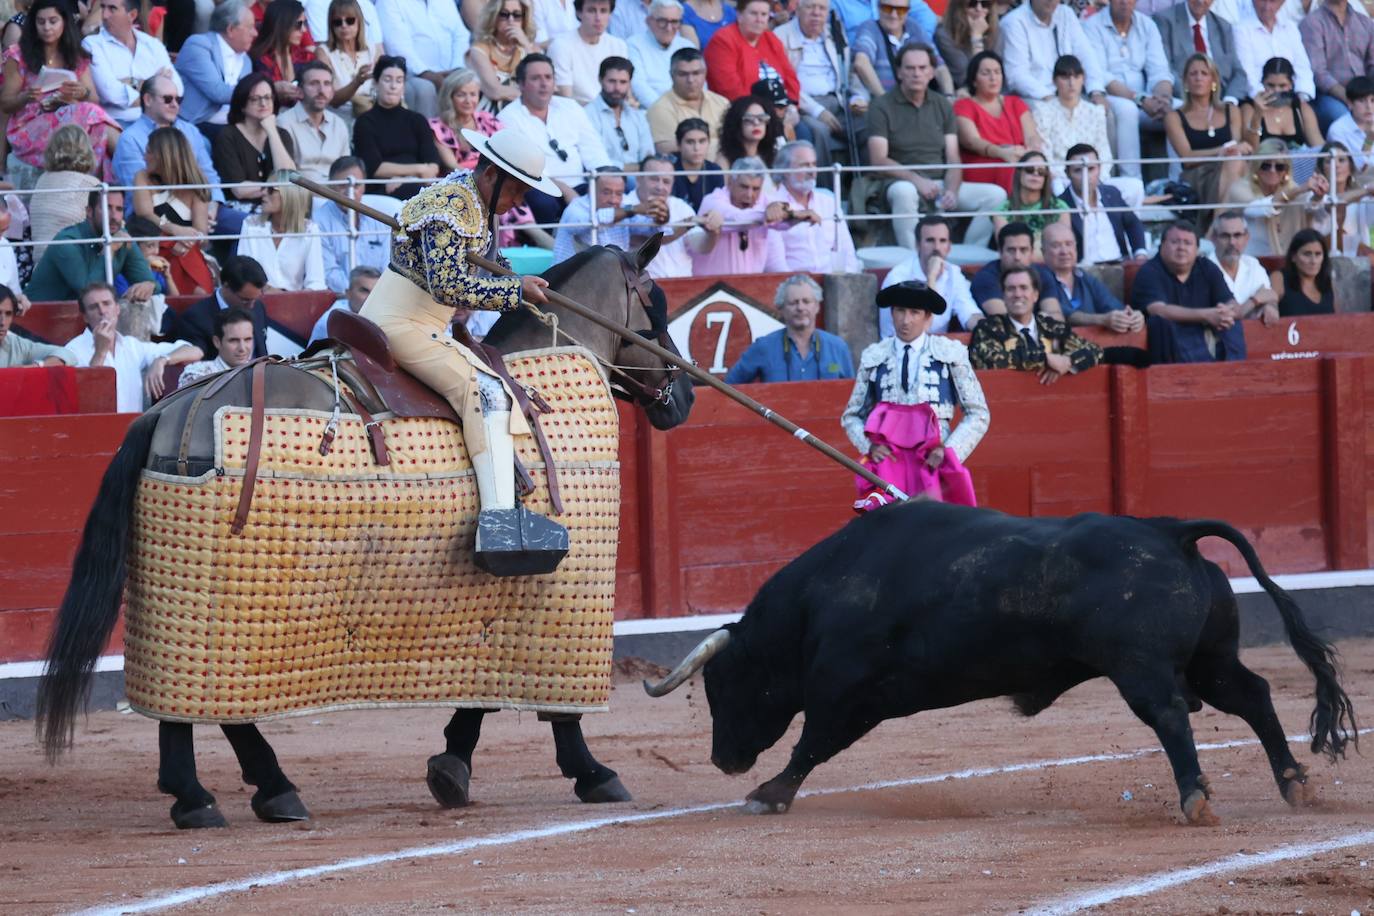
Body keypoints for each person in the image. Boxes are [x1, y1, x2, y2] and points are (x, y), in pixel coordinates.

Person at [357, 128, 569, 572]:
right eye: (516, 189)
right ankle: (497, 524)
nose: (520, 201)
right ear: (491, 174)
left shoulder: (475, 203)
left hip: (427, 323)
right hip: (401, 322)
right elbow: (447, 283)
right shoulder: (450, 206)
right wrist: (516, 292)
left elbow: (489, 263)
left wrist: (516, 280)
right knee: (487, 391)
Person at [843, 280, 988, 511]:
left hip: (933, 459)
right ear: (891, 313)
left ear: (928, 317)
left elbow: (978, 413)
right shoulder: (874, 356)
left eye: (914, 312)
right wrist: (869, 446)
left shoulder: (950, 353)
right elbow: (851, 416)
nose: (906, 320)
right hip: (888, 464)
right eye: (900, 311)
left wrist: (950, 451)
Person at [867, 42, 1005, 251]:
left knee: (996, 195)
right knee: (904, 191)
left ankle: (969, 253)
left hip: (939, 182)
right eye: (910, 68)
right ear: (899, 72)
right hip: (900, 181)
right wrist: (916, 179)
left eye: (922, 68)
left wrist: (951, 189)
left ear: (931, 73)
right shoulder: (881, 106)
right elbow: (878, 160)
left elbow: (953, 158)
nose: (916, 74)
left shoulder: (942, 105)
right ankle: (914, 256)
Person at [113, 74, 241, 242]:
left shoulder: (190, 131)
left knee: (249, 228)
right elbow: (142, 200)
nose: (175, 105)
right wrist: (181, 225)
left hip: (200, 208)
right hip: (154, 217)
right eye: (167, 99)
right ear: (148, 99)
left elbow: (208, 174)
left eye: (178, 100)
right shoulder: (131, 138)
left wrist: (212, 206)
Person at [0, 0, 120, 175]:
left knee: (100, 127)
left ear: (64, 22)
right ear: (33, 25)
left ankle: (102, 190)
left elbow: (93, 98)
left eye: (53, 21)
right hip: (27, 128)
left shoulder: (75, 55)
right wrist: (26, 96)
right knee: (91, 113)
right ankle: (133, 170)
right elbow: (5, 103)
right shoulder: (18, 54)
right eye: (41, 22)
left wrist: (81, 92)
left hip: (66, 119)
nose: (47, 27)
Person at [498, 52, 611, 224]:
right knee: (542, 201)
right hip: (540, 186)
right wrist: (564, 189)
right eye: (536, 78)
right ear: (521, 84)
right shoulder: (508, 117)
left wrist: (603, 179)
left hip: (582, 183)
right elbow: (524, 168)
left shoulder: (570, 107)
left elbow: (593, 150)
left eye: (548, 77)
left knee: (616, 187)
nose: (544, 84)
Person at [65, 281, 201, 411]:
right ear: (85, 317)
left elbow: (195, 351)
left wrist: (163, 359)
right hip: (94, 428)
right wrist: (100, 352)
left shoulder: (132, 345)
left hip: (131, 429)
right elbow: (87, 397)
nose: (102, 311)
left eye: (107, 304)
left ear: (117, 309)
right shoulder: (73, 350)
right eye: (93, 307)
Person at [1130, 219, 1245, 363]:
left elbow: (1231, 302)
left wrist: (1227, 312)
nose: (1181, 248)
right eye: (1175, 242)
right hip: (1166, 349)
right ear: (1161, 246)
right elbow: (1158, 310)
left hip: (1203, 339)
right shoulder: (1149, 271)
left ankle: (1235, 373)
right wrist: (1206, 315)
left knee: (1231, 322)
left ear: (1197, 250)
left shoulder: (1207, 267)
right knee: (1161, 323)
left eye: (1188, 243)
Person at [969, 264, 1103, 382]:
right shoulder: (989, 329)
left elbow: (1095, 351)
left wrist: (1068, 362)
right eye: (1011, 289)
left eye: (1023, 288)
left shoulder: (1051, 327)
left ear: (1035, 295)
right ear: (1003, 296)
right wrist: (1045, 360)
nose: (1017, 294)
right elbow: (992, 360)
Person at [1085, 0, 1172, 180]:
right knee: (1128, 110)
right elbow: (1101, 75)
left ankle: (1178, 184)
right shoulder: (1093, 25)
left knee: (1177, 111)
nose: (1125, 2)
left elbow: (1159, 69)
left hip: (1146, 96)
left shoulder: (1147, 25)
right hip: (1111, 96)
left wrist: (1163, 98)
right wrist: (1139, 99)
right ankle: (1132, 181)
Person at [26, 190, 157, 301]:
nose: (114, 216)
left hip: (85, 321)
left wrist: (148, 286)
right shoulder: (67, 242)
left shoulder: (121, 237)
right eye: (107, 208)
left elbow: (152, 284)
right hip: (38, 321)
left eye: (119, 209)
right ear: (89, 211)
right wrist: (109, 251)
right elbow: (88, 293)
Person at [724, 273, 853, 383]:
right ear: (781, 309)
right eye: (793, 302)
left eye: (806, 301)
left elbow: (854, 396)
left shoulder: (837, 347)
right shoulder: (764, 347)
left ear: (817, 306)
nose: (800, 308)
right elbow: (729, 387)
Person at [133, 126, 215, 295]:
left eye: (148, 152)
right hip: (153, 246)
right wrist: (174, 229)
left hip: (185, 250)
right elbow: (144, 213)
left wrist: (186, 242)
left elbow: (202, 234)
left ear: (164, 155)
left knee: (198, 287)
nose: (144, 157)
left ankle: (197, 296)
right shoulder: (142, 177)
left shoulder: (198, 184)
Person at [1163, 54, 1248, 214]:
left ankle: (1218, 223)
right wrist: (1221, 151)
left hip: (1229, 169)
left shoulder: (1231, 111)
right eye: (1193, 74)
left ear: (1214, 81)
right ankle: (1222, 222)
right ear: (1186, 82)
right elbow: (1187, 158)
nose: (1198, 78)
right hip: (1197, 175)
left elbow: (1236, 149)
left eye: (1204, 73)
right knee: (1234, 162)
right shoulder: (1174, 117)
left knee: (1235, 162)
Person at [775, 0, 855, 168]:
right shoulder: (781, 36)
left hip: (839, 100)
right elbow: (783, 82)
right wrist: (818, 111)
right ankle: (823, 189)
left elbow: (849, 72)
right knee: (819, 131)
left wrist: (857, 97)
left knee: (870, 125)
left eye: (822, 8)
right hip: (803, 105)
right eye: (810, 7)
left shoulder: (834, 33)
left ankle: (865, 185)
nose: (816, 13)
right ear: (797, 10)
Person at [953, 51, 1044, 196]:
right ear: (974, 80)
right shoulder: (964, 105)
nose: (993, 78)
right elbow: (971, 141)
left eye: (997, 72)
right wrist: (1002, 153)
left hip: (1017, 160)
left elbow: (1032, 136)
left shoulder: (1015, 103)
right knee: (1012, 169)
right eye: (986, 73)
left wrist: (1031, 151)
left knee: (1038, 168)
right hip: (982, 165)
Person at [352, 56, 442, 200]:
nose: (393, 86)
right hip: (381, 188)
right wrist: (419, 169)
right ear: (375, 83)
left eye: (399, 80)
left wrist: (407, 178)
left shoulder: (417, 120)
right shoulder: (365, 122)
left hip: (417, 185)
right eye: (387, 80)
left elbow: (433, 165)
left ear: (404, 86)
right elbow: (375, 168)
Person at [763, 140, 858, 273]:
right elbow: (776, 265)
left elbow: (847, 252)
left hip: (832, 281)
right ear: (785, 171)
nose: (812, 171)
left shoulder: (828, 202)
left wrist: (846, 279)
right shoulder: (772, 205)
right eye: (804, 165)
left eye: (814, 164)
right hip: (794, 287)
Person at [82, 0, 181, 127]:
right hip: (120, 123)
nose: (104, 15)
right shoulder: (92, 44)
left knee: (200, 141)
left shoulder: (152, 44)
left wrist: (129, 83)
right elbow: (111, 94)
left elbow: (178, 89)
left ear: (132, 15)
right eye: (103, 7)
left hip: (161, 121)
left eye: (112, 9)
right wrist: (155, 83)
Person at [689, 156, 794, 274]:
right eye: (744, 187)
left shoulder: (767, 203)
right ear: (730, 182)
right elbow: (738, 219)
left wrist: (789, 213)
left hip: (749, 287)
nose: (749, 195)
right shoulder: (712, 201)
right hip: (709, 287)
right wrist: (767, 215)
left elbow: (775, 262)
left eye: (755, 189)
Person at [880, 214, 983, 335]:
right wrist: (931, 278)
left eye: (942, 241)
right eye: (930, 240)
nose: (937, 247)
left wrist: (987, 329)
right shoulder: (898, 277)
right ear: (918, 245)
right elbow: (914, 332)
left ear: (949, 247)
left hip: (940, 347)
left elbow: (969, 313)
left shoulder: (953, 273)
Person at [1223, 138, 1327, 255]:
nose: (1272, 171)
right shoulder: (1239, 188)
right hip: (1250, 261)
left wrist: (1318, 196)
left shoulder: (1293, 189)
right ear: (1256, 167)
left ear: (1286, 171)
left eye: (1279, 167)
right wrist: (1297, 190)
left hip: (1287, 261)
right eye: (1266, 166)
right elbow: (1258, 209)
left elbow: (1311, 207)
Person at [1000, 0, 1108, 112]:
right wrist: (1050, 98)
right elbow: (1016, 76)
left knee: (1103, 112)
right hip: (1034, 96)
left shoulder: (1066, 13)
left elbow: (1086, 55)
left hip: (1069, 92)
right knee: (1054, 114)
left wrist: (1096, 91)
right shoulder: (1014, 22)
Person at [212, 72, 299, 208]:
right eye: (255, 99)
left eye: (268, 98)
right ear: (242, 104)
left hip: (277, 209)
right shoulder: (228, 135)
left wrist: (272, 131)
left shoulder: (281, 134)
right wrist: (276, 188)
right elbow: (239, 190)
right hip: (238, 208)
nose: (263, 103)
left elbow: (288, 178)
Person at [314, 155, 397, 292]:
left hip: (379, 296)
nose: (350, 192)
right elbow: (329, 273)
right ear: (330, 187)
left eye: (356, 185)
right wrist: (357, 293)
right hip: (341, 298)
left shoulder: (379, 216)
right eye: (342, 186)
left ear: (364, 186)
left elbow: (388, 265)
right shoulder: (319, 221)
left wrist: (374, 294)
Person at [1041, 221, 1143, 332]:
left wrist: (1132, 316)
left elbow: (1113, 306)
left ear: (1076, 248)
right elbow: (1063, 314)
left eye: (1069, 244)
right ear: (1043, 252)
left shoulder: (1086, 278)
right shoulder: (1038, 278)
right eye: (1056, 246)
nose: (1064, 251)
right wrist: (1102, 319)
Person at [235, 169, 326, 292]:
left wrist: (292, 300)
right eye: (264, 188)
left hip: (294, 303)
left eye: (271, 189)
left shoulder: (309, 230)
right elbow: (244, 274)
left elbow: (316, 282)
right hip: (257, 301)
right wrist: (270, 291)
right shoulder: (251, 224)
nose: (263, 193)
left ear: (289, 195)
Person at [378, 0, 472, 117]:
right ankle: (429, 133)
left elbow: (461, 35)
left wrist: (457, 69)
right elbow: (397, 47)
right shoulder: (388, 3)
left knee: (477, 79)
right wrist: (427, 74)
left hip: (452, 70)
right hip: (413, 74)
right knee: (425, 88)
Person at [176, 0, 256, 137]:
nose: (255, 33)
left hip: (233, 126)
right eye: (250, 27)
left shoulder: (246, 60)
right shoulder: (198, 45)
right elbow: (217, 92)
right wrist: (258, 92)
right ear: (231, 29)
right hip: (198, 125)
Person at [550, 166, 663, 263]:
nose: (613, 200)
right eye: (606, 192)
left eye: (619, 193)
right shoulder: (576, 208)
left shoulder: (624, 205)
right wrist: (631, 210)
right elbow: (591, 222)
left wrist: (660, 218)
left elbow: (649, 229)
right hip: (569, 281)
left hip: (610, 280)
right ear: (590, 190)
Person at [1058, 143, 1149, 264]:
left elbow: (1132, 223)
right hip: (1084, 272)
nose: (1086, 176)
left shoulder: (1112, 193)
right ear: (1067, 173)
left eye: (1091, 169)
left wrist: (1140, 254)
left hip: (1120, 264)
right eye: (1078, 170)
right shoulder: (1060, 204)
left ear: (1099, 168)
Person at [166, 254, 270, 358]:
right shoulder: (195, 319)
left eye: (256, 299)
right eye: (245, 300)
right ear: (226, 286)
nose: (251, 306)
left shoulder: (258, 307)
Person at [703, 0, 800, 103]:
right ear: (739, 15)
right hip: (744, 112)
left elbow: (790, 77)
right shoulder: (723, 41)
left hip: (781, 108)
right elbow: (729, 89)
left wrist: (792, 105)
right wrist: (760, 112)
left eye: (764, 14)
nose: (759, 19)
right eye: (753, 14)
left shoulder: (770, 38)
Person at [1155, 0, 1248, 105]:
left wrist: (1229, 101)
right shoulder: (1165, 21)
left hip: (1221, 100)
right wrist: (1196, 98)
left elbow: (1239, 73)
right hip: (1184, 99)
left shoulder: (1223, 26)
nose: (1200, 1)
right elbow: (1165, 69)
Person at [1300, 0, 1374, 131]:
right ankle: (1357, 150)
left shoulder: (1365, 23)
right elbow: (1318, 73)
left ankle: (1367, 149)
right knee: (1347, 121)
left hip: (1365, 94)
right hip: (1330, 96)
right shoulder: (1312, 23)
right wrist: (1351, 98)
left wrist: (1366, 96)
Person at [30, 124, 100, 263]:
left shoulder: (42, 180)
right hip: (73, 266)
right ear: (86, 150)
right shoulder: (91, 183)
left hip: (39, 268)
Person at [624, 152, 700, 278]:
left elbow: (699, 247)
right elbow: (654, 238)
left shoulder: (682, 207)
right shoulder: (625, 204)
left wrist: (712, 232)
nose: (660, 187)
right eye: (654, 179)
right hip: (641, 290)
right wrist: (690, 222)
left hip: (682, 285)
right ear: (638, 179)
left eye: (666, 181)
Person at [646, 47, 729, 156]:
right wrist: (723, 144)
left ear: (705, 73)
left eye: (696, 73)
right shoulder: (660, 108)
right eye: (683, 74)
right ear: (672, 76)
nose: (690, 80)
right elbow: (666, 149)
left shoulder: (722, 103)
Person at [277, 60, 348, 180]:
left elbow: (346, 168)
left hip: (337, 193)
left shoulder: (339, 124)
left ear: (332, 92)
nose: (321, 90)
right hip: (302, 193)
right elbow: (285, 174)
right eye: (314, 83)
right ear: (299, 91)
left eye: (327, 84)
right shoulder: (284, 123)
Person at [969, 221, 1059, 315]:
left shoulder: (1043, 275)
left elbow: (1055, 314)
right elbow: (1005, 319)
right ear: (1000, 251)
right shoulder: (985, 278)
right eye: (1011, 250)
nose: (1017, 257)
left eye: (1023, 250)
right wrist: (1044, 319)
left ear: (1032, 252)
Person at [549, 0, 629, 105]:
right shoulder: (561, 45)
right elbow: (565, 100)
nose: (598, 18)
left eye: (603, 11)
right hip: (577, 115)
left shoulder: (619, 46)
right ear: (578, 13)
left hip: (613, 113)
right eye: (591, 11)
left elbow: (626, 93)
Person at [1207, 209, 1280, 323]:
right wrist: (1255, 300)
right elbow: (1229, 315)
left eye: (1237, 235)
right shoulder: (1203, 267)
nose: (1232, 242)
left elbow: (1270, 295)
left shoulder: (1252, 264)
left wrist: (1270, 306)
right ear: (1213, 238)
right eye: (1225, 236)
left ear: (1246, 238)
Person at [1236, 0, 1315, 103]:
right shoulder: (1242, 30)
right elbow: (1247, 73)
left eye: (1273, 1)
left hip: (1292, 97)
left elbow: (1303, 68)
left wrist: (1302, 96)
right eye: (1262, 0)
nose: (1267, 6)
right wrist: (1266, 98)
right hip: (1258, 100)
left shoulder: (1290, 28)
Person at [991, 151, 1068, 254]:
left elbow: (1063, 248)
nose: (1035, 174)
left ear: (1045, 178)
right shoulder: (1002, 210)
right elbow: (1007, 250)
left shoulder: (1060, 207)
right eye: (1029, 170)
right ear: (1019, 173)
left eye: (1041, 172)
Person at [1241, 57, 1324, 152]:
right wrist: (1257, 115)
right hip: (1263, 165)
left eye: (1282, 86)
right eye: (1271, 85)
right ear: (1263, 83)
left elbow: (1318, 145)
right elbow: (1250, 151)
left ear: (1291, 85)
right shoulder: (1250, 108)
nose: (1277, 90)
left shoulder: (1301, 108)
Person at [585, 56, 654, 170]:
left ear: (629, 84)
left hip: (641, 180)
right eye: (612, 81)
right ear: (600, 80)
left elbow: (648, 156)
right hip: (604, 179)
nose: (617, 88)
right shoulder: (587, 115)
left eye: (623, 82)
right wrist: (632, 169)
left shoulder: (639, 116)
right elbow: (594, 159)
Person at [466, 0, 535, 111]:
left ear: (524, 20)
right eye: (504, 14)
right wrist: (534, 94)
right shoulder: (479, 50)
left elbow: (546, 80)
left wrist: (526, 44)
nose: (511, 20)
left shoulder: (528, 49)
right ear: (493, 17)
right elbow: (495, 90)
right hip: (491, 114)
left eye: (517, 15)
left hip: (526, 111)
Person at [315, 0, 380, 118]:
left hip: (371, 114)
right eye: (337, 22)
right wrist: (357, 82)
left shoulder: (371, 48)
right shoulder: (323, 52)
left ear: (359, 21)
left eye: (350, 21)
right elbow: (332, 99)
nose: (344, 26)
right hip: (340, 117)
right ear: (331, 25)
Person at [626, 0, 692, 108]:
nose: (669, 28)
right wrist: (665, 110)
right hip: (651, 110)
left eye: (674, 22)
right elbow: (638, 85)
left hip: (686, 109)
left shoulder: (687, 46)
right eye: (662, 21)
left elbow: (700, 84)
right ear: (648, 21)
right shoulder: (634, 44)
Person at [1314, 140, 1374, 255]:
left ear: (1350, 168)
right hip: (1320, 263)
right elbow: (1335, 201)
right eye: (1329, 161)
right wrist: (1367, 190)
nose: (1336, 165)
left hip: (1357, 266)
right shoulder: (1314, 197)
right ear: (1321, 169)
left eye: (1341, 160)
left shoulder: (1363, 201)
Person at [250, 0, 312, 106]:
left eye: (304, 23)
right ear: (281, 24)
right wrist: (274, 89)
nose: (304, 30)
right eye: (298, 24)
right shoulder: (258, 59)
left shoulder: (305, 57)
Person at [178, 304, 257, 386]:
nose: (242, 348)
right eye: (234, 340)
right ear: (217, 342)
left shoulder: (262, 371)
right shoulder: (197, 374)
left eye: (248, 339)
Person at [0, 285, 75, 366]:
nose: (2, 322)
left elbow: (67, 354)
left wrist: (37, 366)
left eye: (8, 314)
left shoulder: (16, 345)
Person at [932, 0, 995, 93]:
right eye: (972, 4)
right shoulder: (944, 35)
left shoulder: (997, 31)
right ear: (959, 8)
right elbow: (967, 79)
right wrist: (976, 37)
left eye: (985, 4)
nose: (979, 9)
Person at [308, 264, 379, 343]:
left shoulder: (379, 314)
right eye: (364, 291)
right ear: (348, 294)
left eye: (375, 292)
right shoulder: (333, 322)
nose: (370, 298)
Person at [1272, 227, 1335, 315]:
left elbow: (1337, 319)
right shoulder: (1279, 277)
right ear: (1293, 256)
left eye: (1318, 254)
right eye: (1307, 254)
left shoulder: (1327, 283)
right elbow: (1269, 306)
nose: (1313, 261)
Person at [716, 94, 783, 170]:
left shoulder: (773, 157)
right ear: (736, 124)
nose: (756, 123)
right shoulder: (724, 160)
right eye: (748, 119)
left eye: (761, 118)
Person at [1328, 76, 1374, 174]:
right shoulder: (1338, 130)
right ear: (1350, 103)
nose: (1369, 107)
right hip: (1358, 185)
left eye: (1372, 100)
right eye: (1362, 101)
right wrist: (1369, 140)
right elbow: (1357, 171)